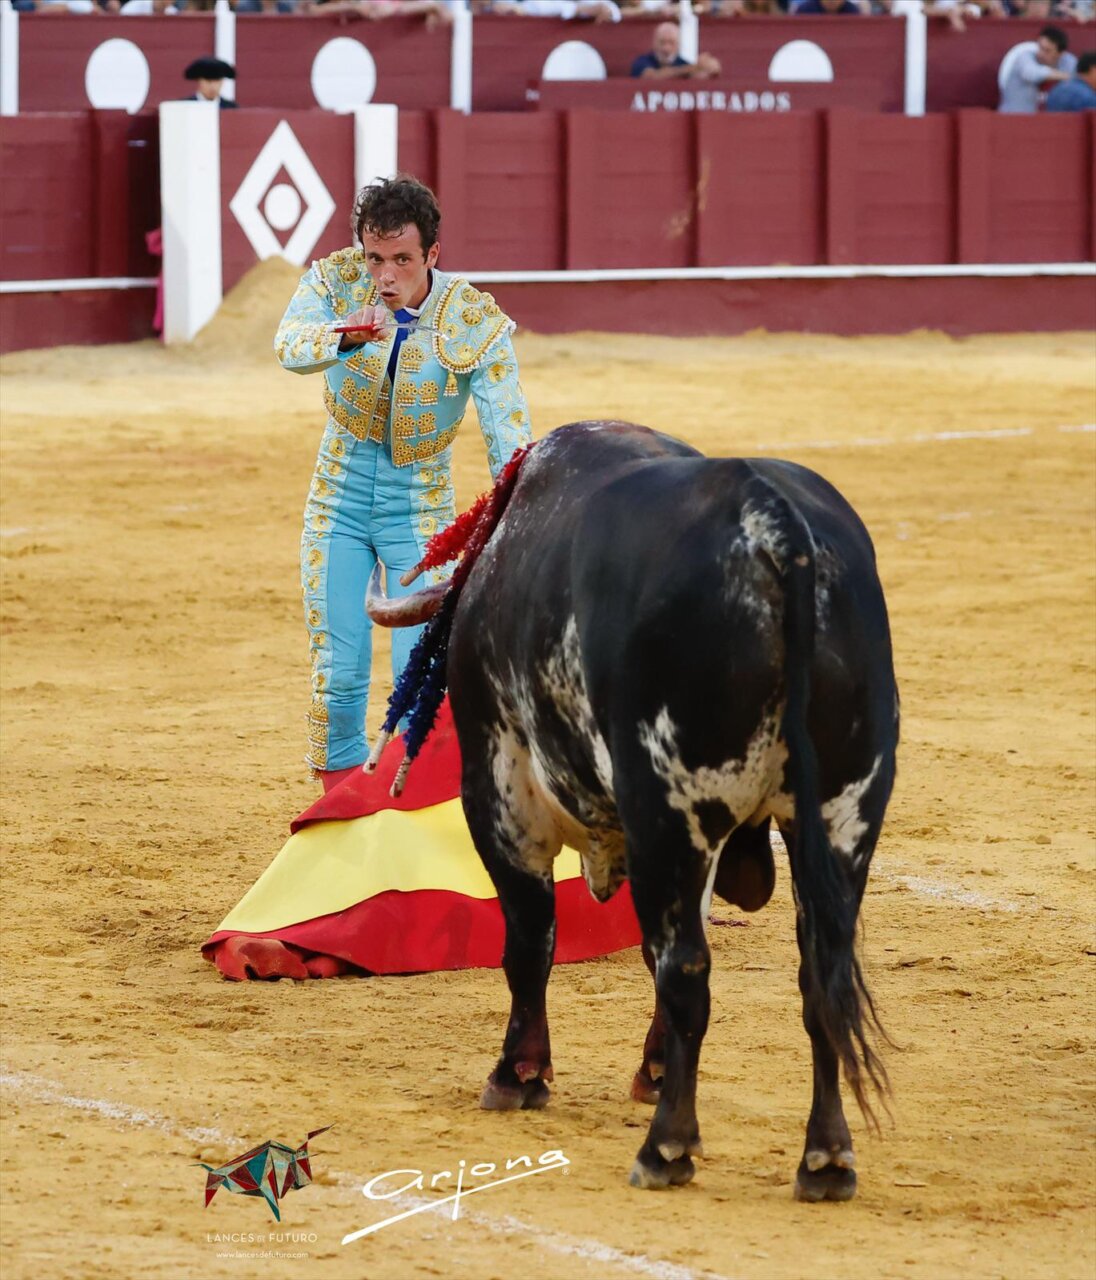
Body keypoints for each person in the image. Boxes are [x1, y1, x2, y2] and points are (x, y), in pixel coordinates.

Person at [274, 174, 531, 791]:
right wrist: (343, 336)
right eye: (374, 258)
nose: (384, 276)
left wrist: (521, 512)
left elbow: (507, 431)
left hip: (419, 511)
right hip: (336, 501)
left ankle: (407, 819)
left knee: (419, 680)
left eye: (402, 260)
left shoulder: (472, 319)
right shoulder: (336, 281)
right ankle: (341, 816)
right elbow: (288, 345)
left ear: (432, 254)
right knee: (338, 676)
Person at [998, 27, 1077, 113]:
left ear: (1060, 54)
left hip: (1051, 119)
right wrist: (1065, 76)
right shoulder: (1024, 58)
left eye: (1047, 51)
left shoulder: (1068, 62)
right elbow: (1030, 73)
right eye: (1040, 47)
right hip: (1013, 117)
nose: (1041, 54)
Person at [630, 21, 723, 78]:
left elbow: (698, 77)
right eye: (662, 42)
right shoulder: (642, 61)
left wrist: (710, 69)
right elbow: (651, 77)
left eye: (671, 43)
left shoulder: (682, 63)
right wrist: (694, 67)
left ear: (678, 45)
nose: (666, 48)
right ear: (654, 43)